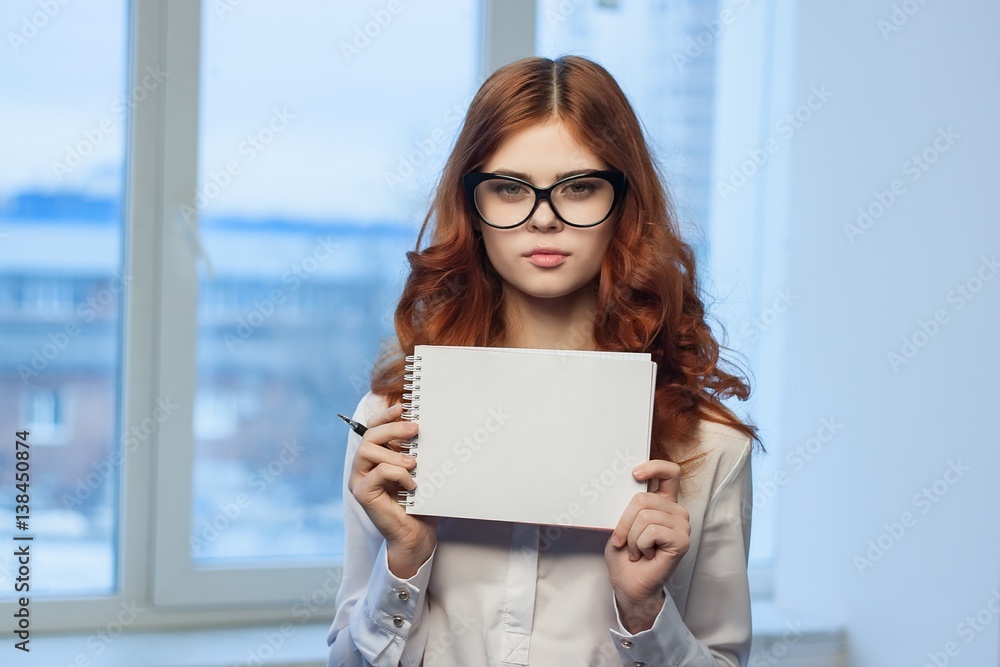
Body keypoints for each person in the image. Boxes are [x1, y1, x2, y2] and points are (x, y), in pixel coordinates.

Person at [326, 55, 761, 667]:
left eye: (579, 187)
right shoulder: (392, 425)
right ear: (472, 210)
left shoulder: (709, 445)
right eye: (509, 188)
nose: (544, 217)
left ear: (626, 205)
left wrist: (644, 612)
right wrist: (404, 561)